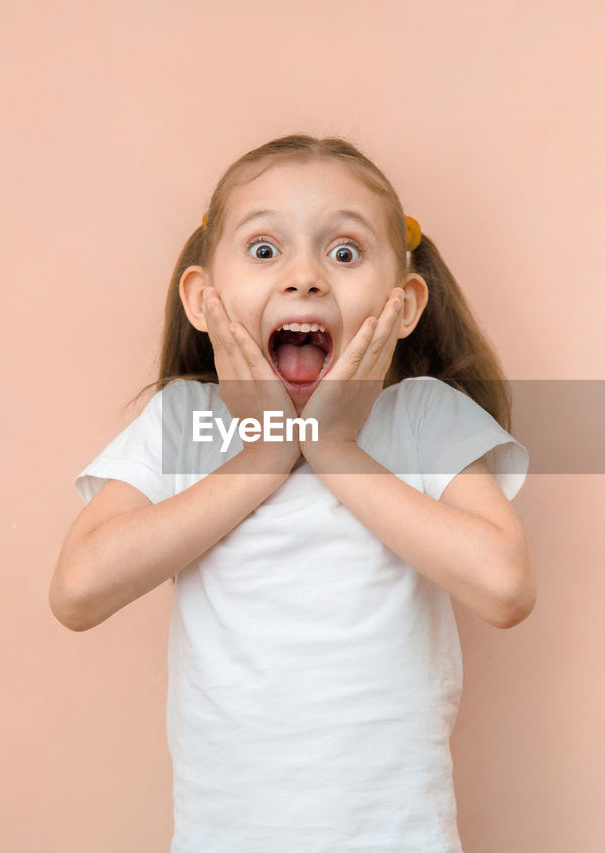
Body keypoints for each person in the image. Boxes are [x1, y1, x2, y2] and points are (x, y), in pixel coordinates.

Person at [50, 133, 534, 852]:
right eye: (265, 250)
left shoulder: (424, 416)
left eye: (343, 252)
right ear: (204, 299)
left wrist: (334, 450)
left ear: (403, 306)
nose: (305, 277)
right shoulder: (184, 422)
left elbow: (504, 586)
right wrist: (269, 450)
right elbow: (79, 590)